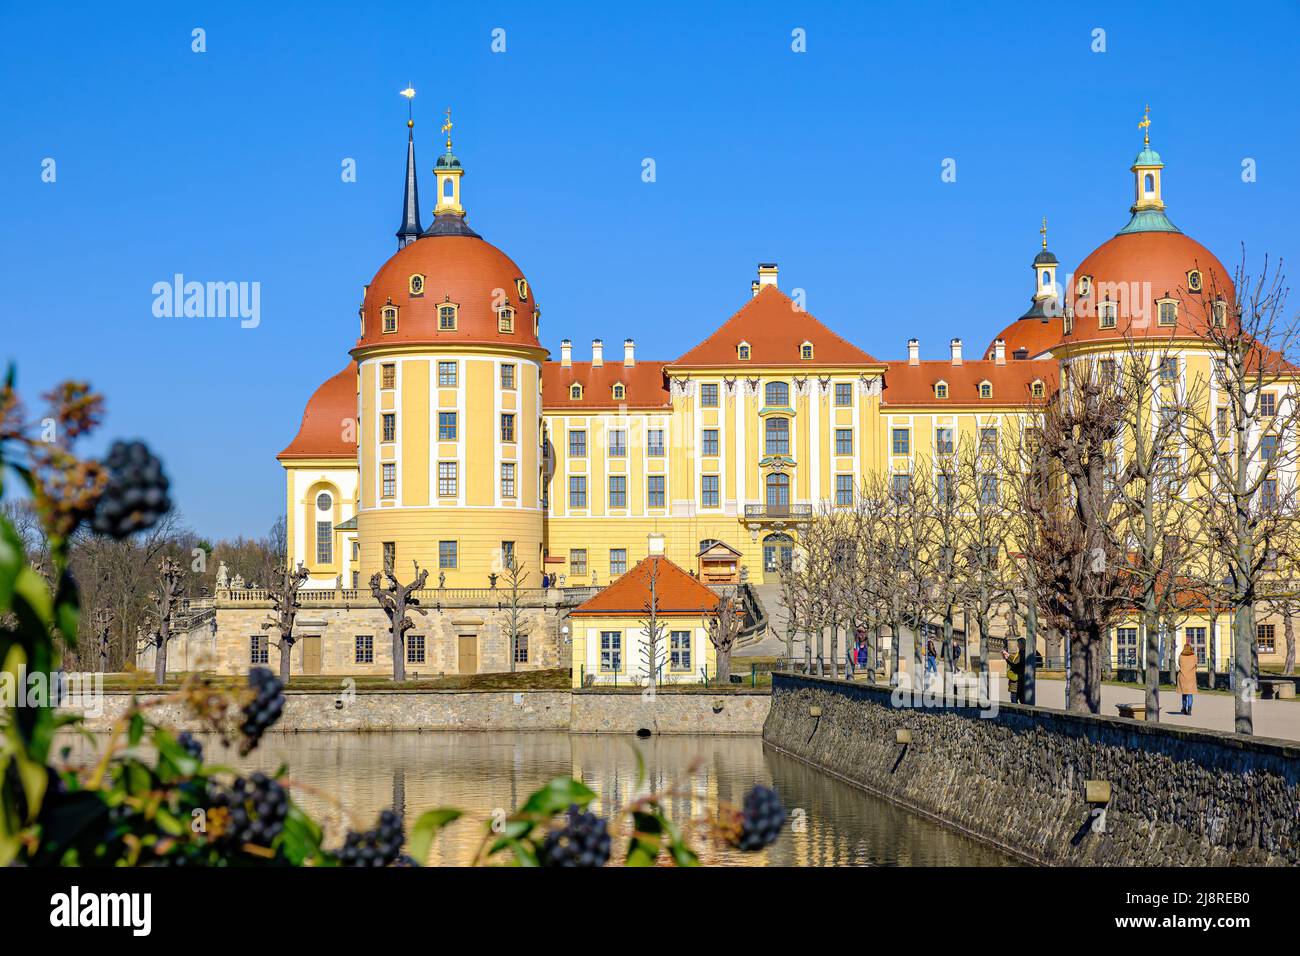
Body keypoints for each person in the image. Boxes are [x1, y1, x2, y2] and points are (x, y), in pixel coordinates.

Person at [1176, 641, 1198, 715]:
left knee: (1184, 693)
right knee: (1190, 694)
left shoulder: (1181, 656)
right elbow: (1196, 665)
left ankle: (1184, 708)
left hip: (1182, 677)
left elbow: (1179, 664)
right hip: (1191, 677)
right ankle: (1189, 709)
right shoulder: (1194, 656)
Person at [1001, 638, 1025, 704]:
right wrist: (1008, 656)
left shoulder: (1022, 653)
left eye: (1018, 644)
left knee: (1015, 701)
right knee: (1021, 700)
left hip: (1017, 680)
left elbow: (1015, 664)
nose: (1017, 645)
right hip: (1019, 680)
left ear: (1022, 644)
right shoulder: (1022, 652)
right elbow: (1015, 660)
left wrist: (1007, 658)